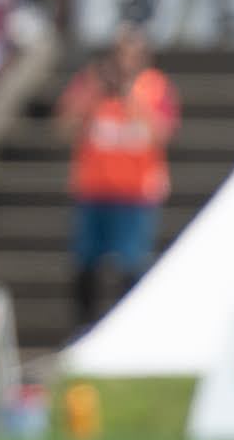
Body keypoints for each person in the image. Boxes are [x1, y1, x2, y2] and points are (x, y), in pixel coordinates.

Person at [58, 23, 178, 332]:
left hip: (134, 194)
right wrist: (93, 94)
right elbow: (64, 126)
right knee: (85, 265)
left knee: (131, 265)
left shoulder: (154, 87)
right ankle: (83, 330)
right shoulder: (91, 83)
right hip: (94, 189)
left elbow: (163, 132)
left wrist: (130, 98)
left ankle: (130, 332)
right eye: (120, 54)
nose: (125, 62)